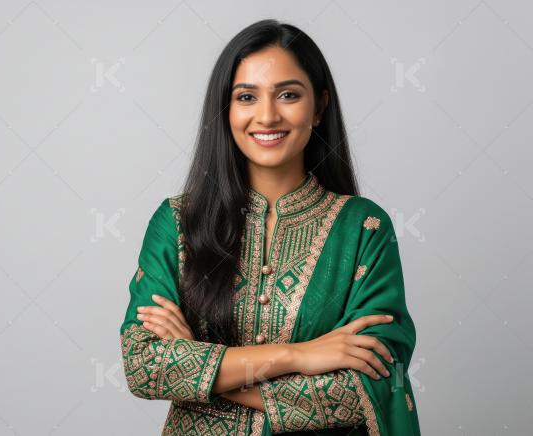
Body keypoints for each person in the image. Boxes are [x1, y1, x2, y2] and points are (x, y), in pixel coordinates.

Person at [119, 19, 420, 435]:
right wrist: (299, 356)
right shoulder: (177, 222)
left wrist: (199, 366)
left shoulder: (362, 228)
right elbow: (145, 366)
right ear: (225, 110)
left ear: (319, 107)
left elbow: (369, 384)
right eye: (246, 97)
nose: (267, 115)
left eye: (288, 95)